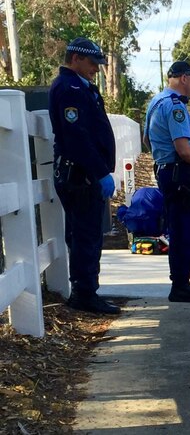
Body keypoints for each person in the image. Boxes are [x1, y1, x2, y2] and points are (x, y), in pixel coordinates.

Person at [49, 37, 119, 315]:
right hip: (80, 175)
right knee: (85, 234)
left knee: (87, 233)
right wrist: (100, 172)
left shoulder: (80, 87)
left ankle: (87, 289)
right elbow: (76, 136)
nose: (95, 68)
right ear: (75, 58)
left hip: (86, 174)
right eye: (92, 63)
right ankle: (84, 293)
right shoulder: (69, 88)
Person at [144, 60, 190, 303]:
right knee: (185, 230)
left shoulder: (155, 102)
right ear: (184, 78)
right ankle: (182, 284)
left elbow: (147, 140)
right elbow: (184, 149)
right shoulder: (175, 106)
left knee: (179, 227)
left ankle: (181, 282)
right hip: (180, 173)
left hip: (168, 171)